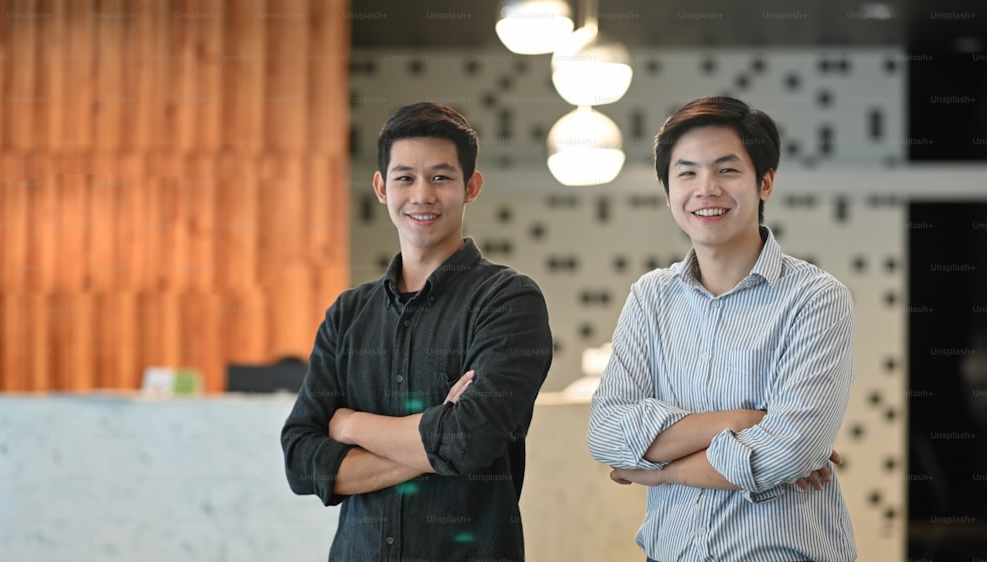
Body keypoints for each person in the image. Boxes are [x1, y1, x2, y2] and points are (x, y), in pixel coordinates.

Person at [587, 96, 857, 562]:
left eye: (727, 170)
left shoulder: (815, 298)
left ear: (765, 182)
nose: (705, 188)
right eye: (686, 172)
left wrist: (659, 471)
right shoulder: (650, 297)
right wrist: (742, 422)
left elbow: (785, 453)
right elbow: (607, 433)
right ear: (668, 188)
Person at [281, 102, 553, 561]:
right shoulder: (348, 314)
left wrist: (350, 424)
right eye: (405, 177)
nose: (422, 195)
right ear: (381, 187)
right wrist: (435, 436)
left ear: (471, 187)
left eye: (441, 178)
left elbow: (469, 442)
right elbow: (302, 464)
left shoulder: (508, 300)